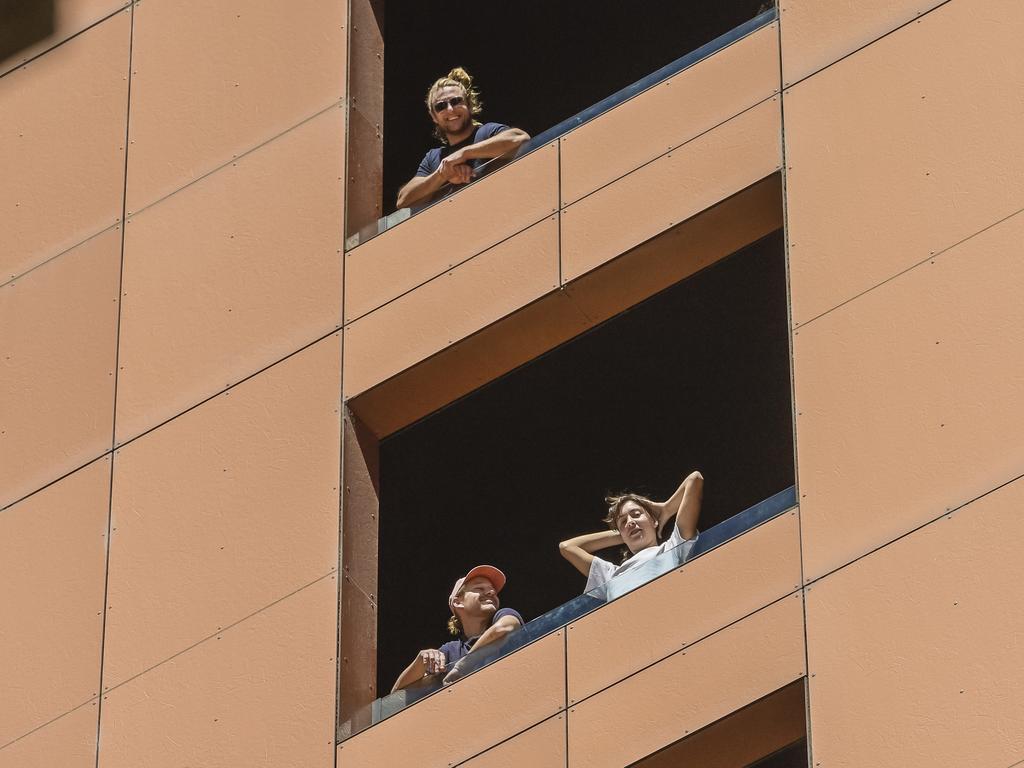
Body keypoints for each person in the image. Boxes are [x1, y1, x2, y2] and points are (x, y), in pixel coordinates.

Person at [396, 67, 530, 210]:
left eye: (456, 101)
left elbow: (521, 138)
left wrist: (464, 153)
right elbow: (403, 201)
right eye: (441, 106)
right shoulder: (433, 157)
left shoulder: (486, 132)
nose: (450, 109)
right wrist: (442, 175)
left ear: (469, 105)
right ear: (434, 116)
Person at [559, 471, 703, 600]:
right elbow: (567, 547)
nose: (630, 522)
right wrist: (625, 532)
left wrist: (666, 509)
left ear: (654, 521)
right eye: (623, 521)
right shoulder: (610, 575)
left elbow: (694, 479)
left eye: (636, 515)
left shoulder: (673, 547)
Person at [390, 564, 524, 692]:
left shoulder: (503, 615)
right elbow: (397, 695)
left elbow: (503, 629)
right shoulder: (450, 651)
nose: (491, 592)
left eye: (492, 589)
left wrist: (462, 667)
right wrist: (420, 662)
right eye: (479, 588)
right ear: (458, 602)